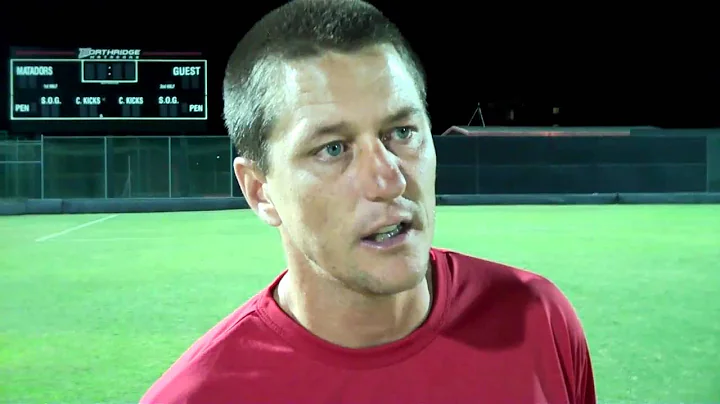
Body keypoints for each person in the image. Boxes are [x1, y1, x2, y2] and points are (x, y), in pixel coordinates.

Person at [140, 1, 596, 403]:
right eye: (333, 148)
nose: (388, 179)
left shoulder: (538, 319)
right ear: (260, 190)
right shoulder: (198, 396)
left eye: (402, 133)